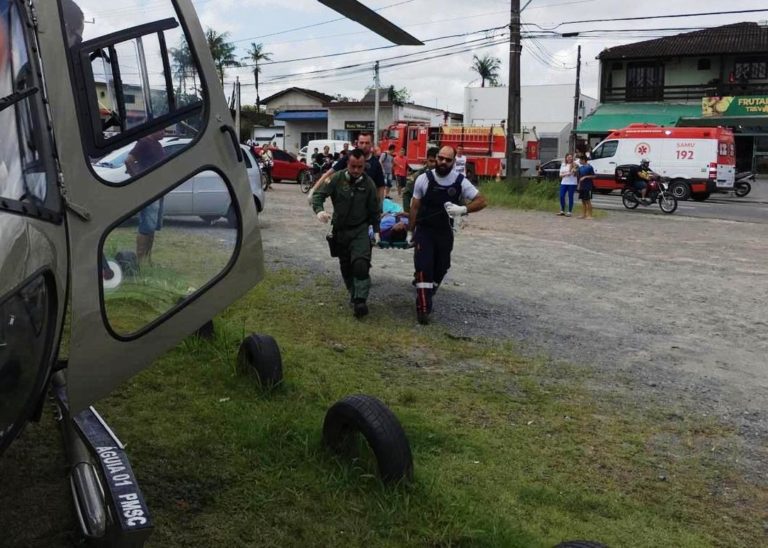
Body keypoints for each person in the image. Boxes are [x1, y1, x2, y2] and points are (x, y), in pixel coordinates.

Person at [410, 146, 487, 324]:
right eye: (441, 158)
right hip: (425, 231)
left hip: (445, 232)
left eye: (448, 160)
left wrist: (463, 209)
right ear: (436, 158)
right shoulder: (423, 179)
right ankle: (423, 310)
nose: (443, 162)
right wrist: (411, 231)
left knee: (442, 267)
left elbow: (482, 201)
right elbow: (414, 206)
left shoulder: (460, 181)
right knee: (424, 267)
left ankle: (427, 293)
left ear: (454, 162)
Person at [311, 149, 380, 318]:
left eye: (360, 167)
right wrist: (319, 211)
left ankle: (360, 301)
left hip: (360, 230)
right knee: (346, 266)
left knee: (361, 264)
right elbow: (318, 195)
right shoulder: (337, 178)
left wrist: (376, 231)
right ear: (347, 164)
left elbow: (374, 210)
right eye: (353, 166)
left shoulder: (369, 184)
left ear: (364, 166)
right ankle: (354, 293)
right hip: (340, 230)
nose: (356, 170)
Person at [125, 129, 166, 263]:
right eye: (162, 129)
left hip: (158, 190)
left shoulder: (158, 145)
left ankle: (148, 259)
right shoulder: (144, 142)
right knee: (146, 226)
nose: (164, 132)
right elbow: (128, 161)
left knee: (152, 226)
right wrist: (137, 179)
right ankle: (140, 261)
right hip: (148, 190)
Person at [312, 132, 385, 203]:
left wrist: (380, 205)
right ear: (357, 143)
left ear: (372, 144)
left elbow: (381, 186)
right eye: (361, 142)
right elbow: (329, 173)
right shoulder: (349, 157)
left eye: (367, 143)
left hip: (366, 204)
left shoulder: (375, 163)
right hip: (347, 202)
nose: (364, 145)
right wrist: (314, 189)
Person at [404, 146, 438, 213]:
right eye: (431, 161)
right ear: (427, 160)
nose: (434, 164)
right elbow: (407, 194)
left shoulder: (445, 175)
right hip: (422, 213)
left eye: (436, 161)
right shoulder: (419, 175)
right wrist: (407, 213)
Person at [576, 154, 595, 220]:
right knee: (583, 201)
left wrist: (586, 177)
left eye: (580, 160)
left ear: (584, 160)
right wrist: (578, 185)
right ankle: (583, 214)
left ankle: (590, 215)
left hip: (588, 186)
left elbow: (594, 176)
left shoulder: (590, 167)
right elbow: (579, 177)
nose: (579, 161)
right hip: (582, 186)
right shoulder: (580, 168)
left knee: (588, 201)